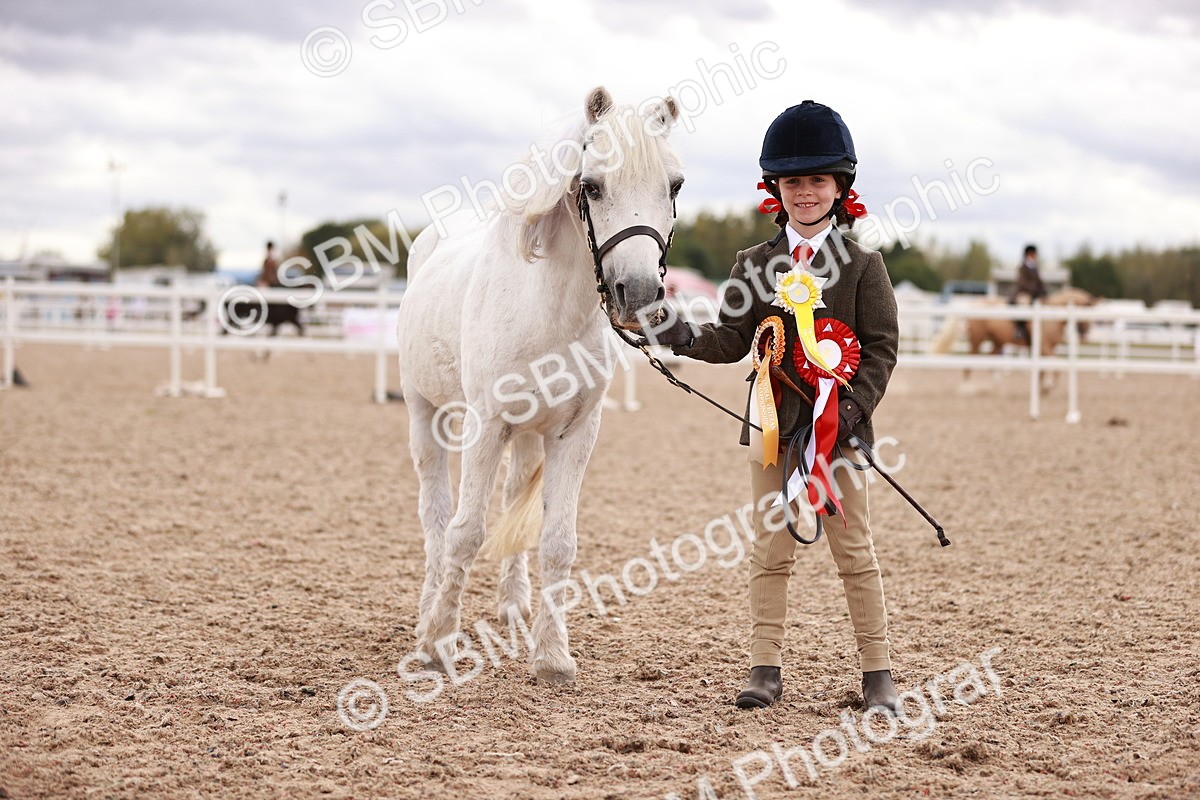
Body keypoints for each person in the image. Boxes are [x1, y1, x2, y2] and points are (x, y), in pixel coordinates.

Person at [644, 101, 902, 713]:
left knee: (855, 553)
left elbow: (882, 349)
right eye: (794, 182)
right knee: (768, 549)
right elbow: (733, 339)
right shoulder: (754, 265)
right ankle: (765, 669)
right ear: (775, 189)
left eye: (817, 181)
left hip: (839, 435)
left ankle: (877, 675)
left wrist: (849, 413)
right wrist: (679, 335)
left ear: (840, 187)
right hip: (769, 432)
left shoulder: (864, 266)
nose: (805, 193)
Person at [1010, 244, 1046, 343]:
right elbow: (1022, 282)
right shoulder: (1022, 267)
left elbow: (1039, 281)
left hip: (1034, 294)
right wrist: (1034, 289)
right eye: (1034, 254)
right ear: (1029, 254)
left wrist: (1043, 289)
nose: (1036, 256)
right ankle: (1019, 329)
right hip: (1024, 293)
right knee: (1023, 304)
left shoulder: (1035, 268)